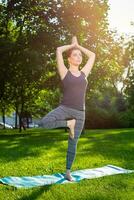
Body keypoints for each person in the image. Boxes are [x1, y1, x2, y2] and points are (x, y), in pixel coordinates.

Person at [38, 36, 96, 181]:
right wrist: (71, 45)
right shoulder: (65, 72)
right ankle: (68, 124)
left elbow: (93, 55)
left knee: (73, 142)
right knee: (44, 122)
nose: (78, 57)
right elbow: (58, 50)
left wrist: (79, 46)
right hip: (65, 108)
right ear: (69, 59)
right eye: (75, 55)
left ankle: (68, 172)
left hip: (80, 112)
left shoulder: (84, 74)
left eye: (80, 55)